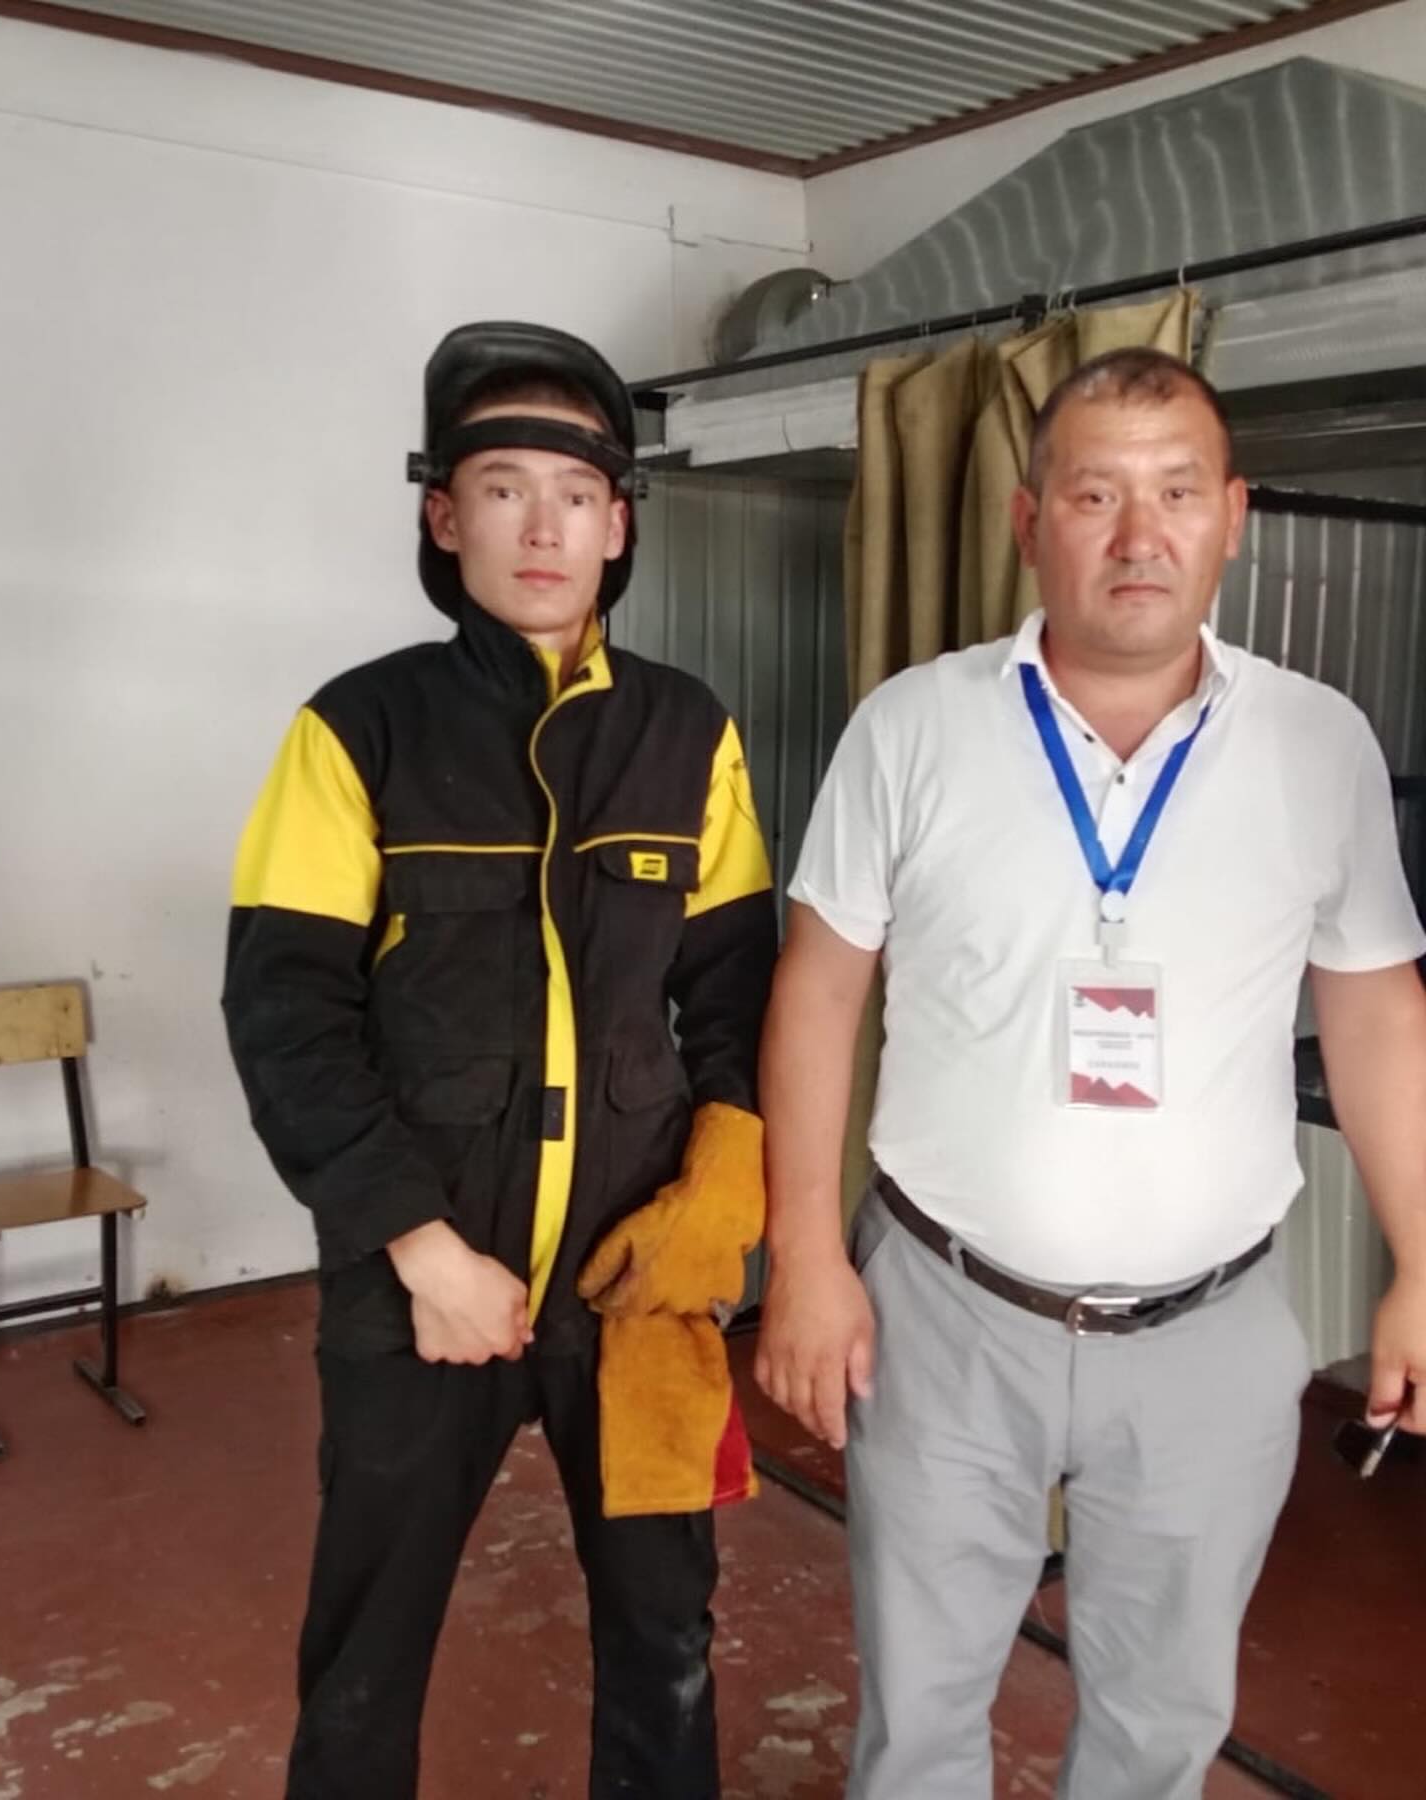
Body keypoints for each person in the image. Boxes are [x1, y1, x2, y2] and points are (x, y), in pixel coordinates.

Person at [756, 346, 1426, 1800]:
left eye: (1177, 492)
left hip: (1211, 1332)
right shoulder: (913, 727)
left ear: (1233, 517)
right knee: (920, 1714)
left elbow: (1377, 1008)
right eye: (1095, 494)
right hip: (942, 1312)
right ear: (1028, 521)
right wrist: (803, 1256)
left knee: (1160, 1720)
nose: (1139, 534)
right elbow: (818, 992)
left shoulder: (1318, 744)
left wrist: (1424, 1267)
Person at [222, 321, 777, 1799]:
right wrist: (418, 1246)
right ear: (441, 516)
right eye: (503, 489)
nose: (543, 528)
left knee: (666, 1631)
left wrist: (720, 1179)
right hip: (420, 1282)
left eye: (576, 495)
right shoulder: (357, 731)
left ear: (618, 527)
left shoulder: (688, 733)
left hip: (631, 1276)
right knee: (367, 1648)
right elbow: (285, 1013)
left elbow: (737, 990)